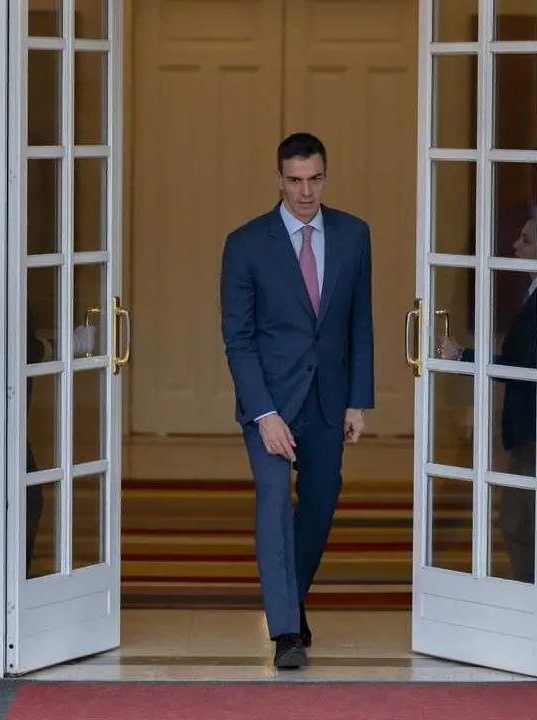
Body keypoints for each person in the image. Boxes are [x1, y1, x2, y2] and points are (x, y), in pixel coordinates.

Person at [219, 132, 375, 669]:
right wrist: (264, 414)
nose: (305, 192)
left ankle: (293, 594)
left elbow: (359, 321)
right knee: (272, 505)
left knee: (320, 503)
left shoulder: (354, 235)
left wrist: (359, 399)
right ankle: (285, 631)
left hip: (329, 398)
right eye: (295, 180)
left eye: (315, 179)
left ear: (325, 176)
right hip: (269, 401)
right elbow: (237, 338)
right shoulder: (245, 243)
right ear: (279, 178)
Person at [439, 206, 537, 583]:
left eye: (526, 240)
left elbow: (520, 362)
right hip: (524, 431)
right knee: (517, 521)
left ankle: (531, 597)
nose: (514, 245)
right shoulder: (534, 292)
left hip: (534, 430)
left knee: (519, 522)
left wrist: (463, 355)